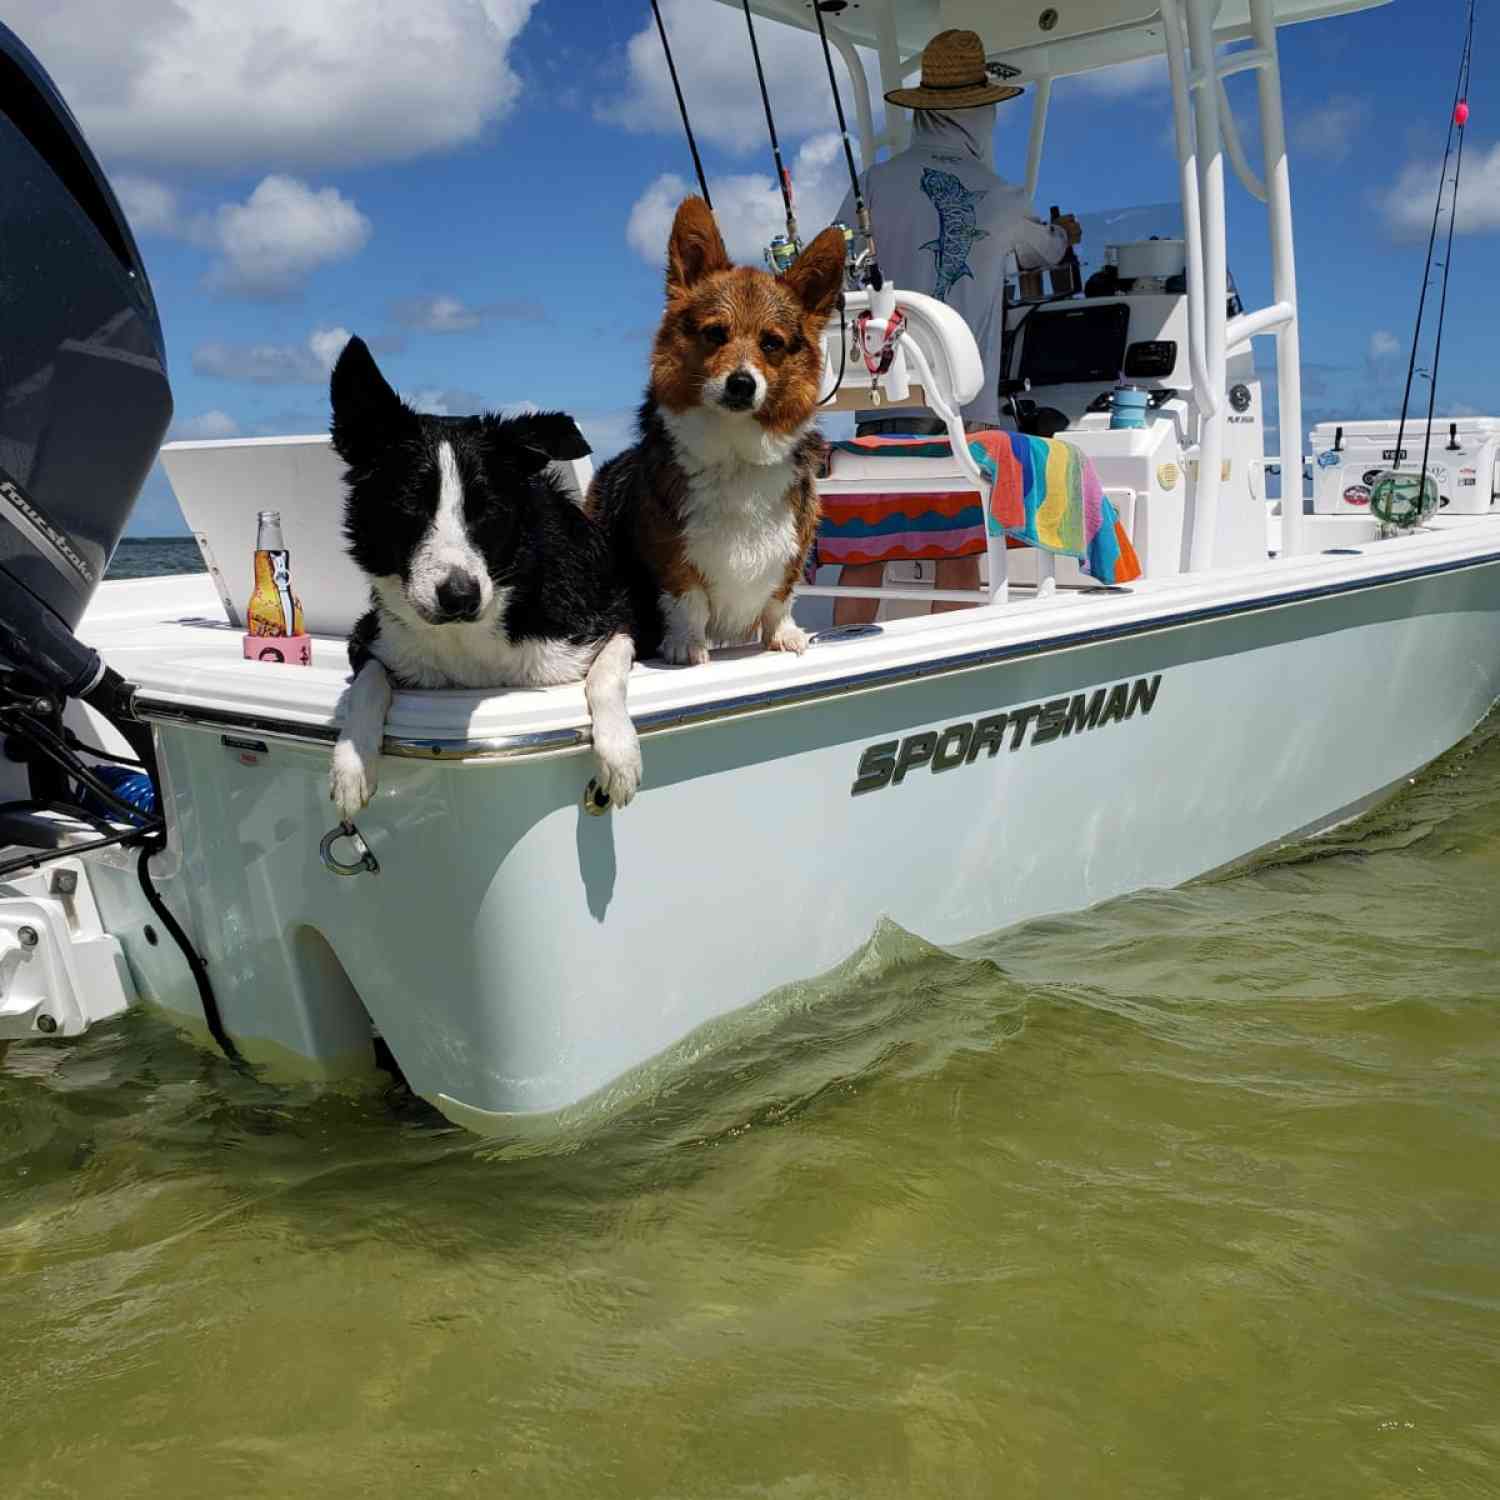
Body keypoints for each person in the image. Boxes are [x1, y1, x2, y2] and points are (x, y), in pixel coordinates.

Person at [830, 29, 1082, 625]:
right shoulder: (999, 194)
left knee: (868, 543)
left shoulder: (873, 184)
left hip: (882, 400)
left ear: (925, 115)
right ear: (978, 114)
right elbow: (1045, 252)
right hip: (964, 411)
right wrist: (1068, 233)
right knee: (959, 547)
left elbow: (837, 260)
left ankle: (840, 651)